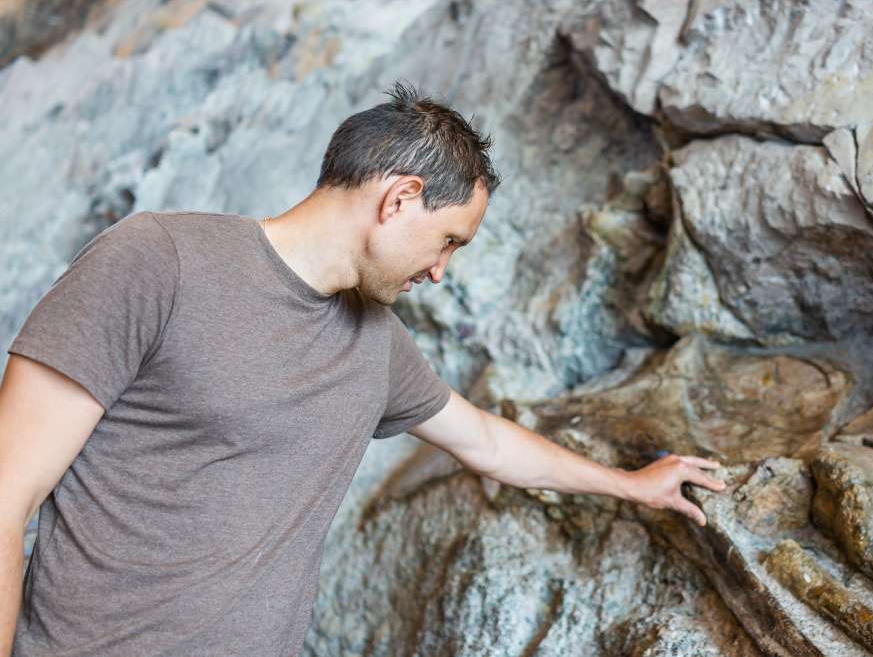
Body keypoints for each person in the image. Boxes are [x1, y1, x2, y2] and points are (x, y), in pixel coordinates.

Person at [0, 82, 727, 656]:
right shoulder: (158, 261)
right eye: (448, 241)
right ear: (400, 197)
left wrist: (632, 485)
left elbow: (488, 443)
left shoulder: (376, 343)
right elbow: (7, 495)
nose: (441, 271)